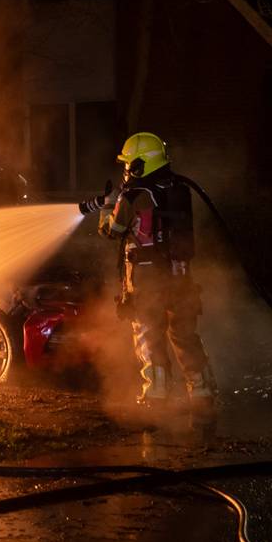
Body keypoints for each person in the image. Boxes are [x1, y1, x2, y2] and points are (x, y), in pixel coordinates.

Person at [97, 132, 215, 415]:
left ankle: (156, 394)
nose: (126, 170)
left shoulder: (133, 196)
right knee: (184, 335)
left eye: (129, 164)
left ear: (140, 164)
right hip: (180, 277)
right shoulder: (179, 188)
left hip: (147, 282)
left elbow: (113, 231)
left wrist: (106, 208)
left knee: (148, 336)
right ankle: (202, 392)